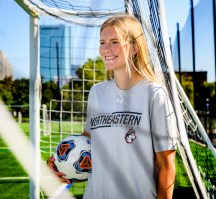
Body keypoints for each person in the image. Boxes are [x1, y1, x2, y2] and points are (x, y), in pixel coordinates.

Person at [48, 14, 177, 199]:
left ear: (133, 47)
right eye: (102, 42)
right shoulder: (97, 92)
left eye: (115, 42)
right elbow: (87, 143)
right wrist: (59, 163)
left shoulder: (155, 94)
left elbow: (167, 166)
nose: (106, 49)